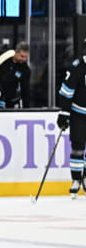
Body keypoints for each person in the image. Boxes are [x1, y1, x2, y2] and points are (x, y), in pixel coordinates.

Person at [57, 39, 86, 198]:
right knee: (78, 146)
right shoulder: (77, 67)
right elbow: (66, 93)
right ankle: (76, 180)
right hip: (79, 114)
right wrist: (64, 113)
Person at [0, 41, 31, 108]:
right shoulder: (3, 57)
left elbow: (25, 91)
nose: (24, 59)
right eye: (22, 56)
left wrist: (27, 110)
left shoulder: (25, 69)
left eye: (26, 57)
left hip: (10, 100)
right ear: (16, 52)